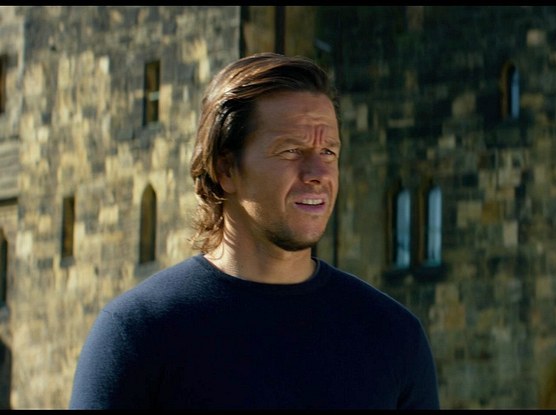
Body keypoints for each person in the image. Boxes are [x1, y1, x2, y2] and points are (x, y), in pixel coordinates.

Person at [69, 53, 440, 410]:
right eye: (291, 150)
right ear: (225, 170)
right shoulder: (139, 333)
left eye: (328, 152)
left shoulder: (392, 336)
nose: (318, 173)